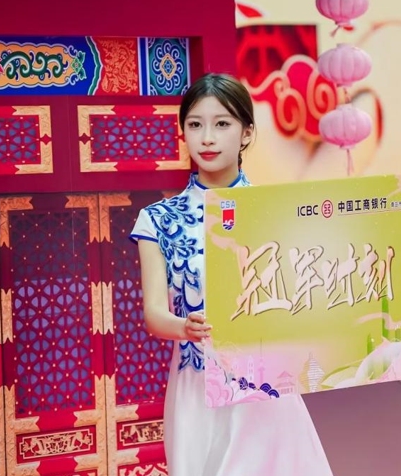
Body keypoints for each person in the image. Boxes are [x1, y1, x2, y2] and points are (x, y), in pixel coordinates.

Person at [130, 73, 334, 476]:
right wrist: (184, 327)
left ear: (246, 133)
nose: (207, 138)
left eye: (222, 124)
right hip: (198, 390)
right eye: (195, 124)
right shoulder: (158, 220)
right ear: (183, 133)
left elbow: (315, 296)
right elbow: (153, 315)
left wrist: (390, 300)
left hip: (266, 393)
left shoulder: (277, 210)